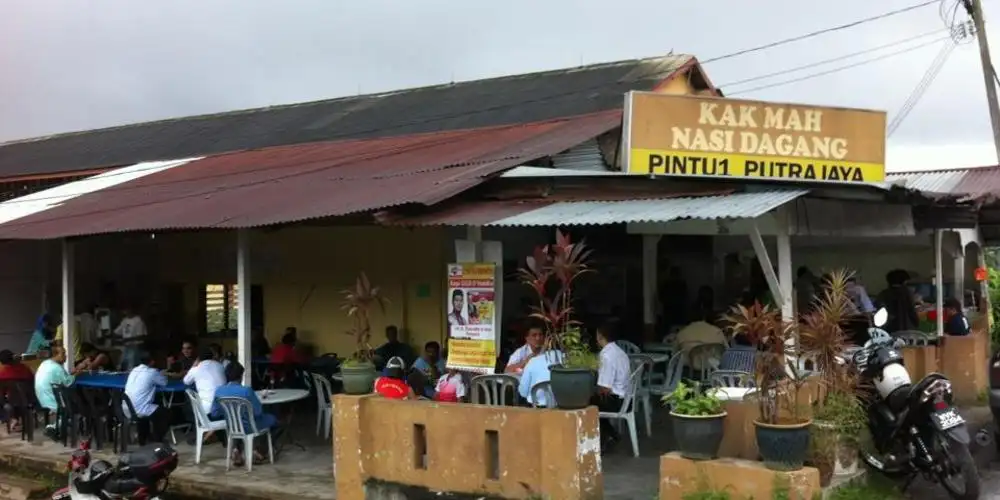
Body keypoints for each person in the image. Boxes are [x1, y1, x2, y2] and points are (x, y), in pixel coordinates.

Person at [212, 362, 280, 466]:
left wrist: (230, 412)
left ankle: (236, 451)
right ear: (241, 375)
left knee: (240, 423)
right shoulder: (246, 390)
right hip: (250, 426)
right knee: (274, 421)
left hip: (232, 426)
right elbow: (258, 412)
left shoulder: (219, 391)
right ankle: (259, 452)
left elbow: (215, 413)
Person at [592, 321, 631, 450]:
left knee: (586, 403)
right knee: (592, 399)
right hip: (626, 399)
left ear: (600, 336)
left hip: (614, 401)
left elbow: (605, 388)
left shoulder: (606, 355)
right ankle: (612, 434)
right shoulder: (620, 352)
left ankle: (604, 439)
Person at [34, 346, 84, 439]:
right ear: (55, 355)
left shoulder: (45, 364)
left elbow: (62, 379)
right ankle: (54, 427)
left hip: (42, 397)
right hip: (52, 400)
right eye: (63, 354)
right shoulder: (57, 368)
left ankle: (54, 426)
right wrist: (78, 373)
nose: (65, 356)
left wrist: (72, 373)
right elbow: (67, 382)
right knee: (75, 405)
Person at [123, 353, 169, 445]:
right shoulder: (152, 372)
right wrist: (163, 374)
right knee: (166, 413)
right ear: (152, 362)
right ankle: (157, 439)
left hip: (126, 408)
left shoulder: (134, 370)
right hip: (139, 409)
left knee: (148, 410)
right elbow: (164, 382)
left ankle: (144, 439)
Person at [184, 350, 227, 415]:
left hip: (206, 411)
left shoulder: (196, 369)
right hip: (225, 407)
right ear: (212, 357)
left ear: (198, 359)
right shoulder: (220, 366)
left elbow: (186, 381)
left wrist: (193, 366)